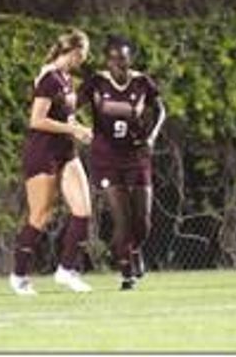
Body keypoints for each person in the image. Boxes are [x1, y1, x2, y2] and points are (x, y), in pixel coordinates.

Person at [78, 35, 166, 290]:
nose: (120, 66)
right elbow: (70, 108)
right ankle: (126, 270)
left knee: (143, 221)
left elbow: (161, 110)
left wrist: (152, 136)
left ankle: (135, 251)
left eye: (124, 61)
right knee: (122, 218)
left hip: (137, 156)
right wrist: (76, 128)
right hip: (106, 157)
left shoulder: (141, 82)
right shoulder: (96, 83)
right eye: (115, 61)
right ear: (108, 61)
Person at [9, 29, 94, 295]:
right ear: (67, 51)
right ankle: (19, 275)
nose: (81, 60)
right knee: (40, 215)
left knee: (83, 210)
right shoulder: (49, 78)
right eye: (79, 54)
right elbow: (37, 120)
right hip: (42, 152)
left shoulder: (67, 79)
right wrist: (73, 130)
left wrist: (80, 127)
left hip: (66, 152)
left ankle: (66, 270)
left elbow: (64, 118)